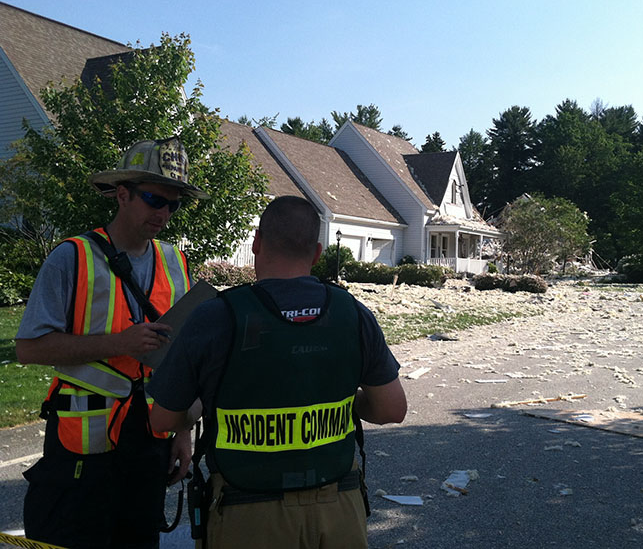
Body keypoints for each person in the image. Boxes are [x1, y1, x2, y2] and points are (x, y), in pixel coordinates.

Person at [148, 195, 407, 549]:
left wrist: (202, 405)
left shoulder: (215, 316)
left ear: (256, 243)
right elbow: (392, 409)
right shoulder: (351, 313)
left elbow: (162, 420)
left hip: (248, 514)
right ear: (316, 254)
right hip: (338, 510)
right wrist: (348, 399)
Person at [16, 137, 210, 549]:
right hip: (83, 449)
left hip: (150, 446)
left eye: (173, 205)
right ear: (122, 195)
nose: (164, 213)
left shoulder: (176, 262)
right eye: (155, 199)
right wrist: (119, 343)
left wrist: (182, 432)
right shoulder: (71, 257)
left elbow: (181, 361)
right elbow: (29, 348)